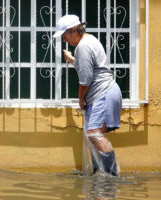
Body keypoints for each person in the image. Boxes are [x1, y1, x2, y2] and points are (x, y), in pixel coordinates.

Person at [53, 15, 122, 176]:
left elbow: (86, 79)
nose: (64, 40)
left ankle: (112, 176)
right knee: (95, 134)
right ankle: (102, 175)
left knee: (94, 134)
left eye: (65, 36)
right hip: (105, 91)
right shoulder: (89, 39)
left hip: (102, 92)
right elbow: (90, 66)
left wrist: (81, 98)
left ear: (74, 31)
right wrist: (73, 60)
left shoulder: (82, 47)